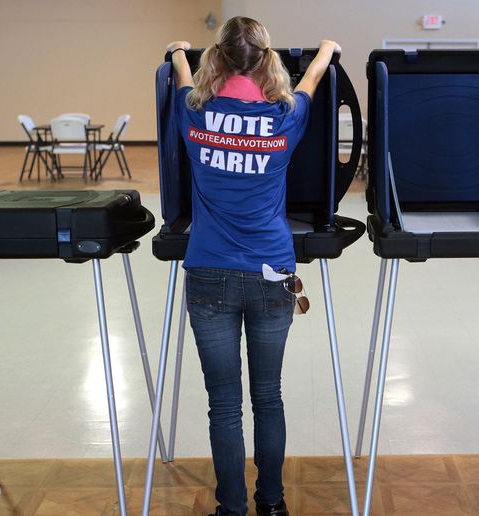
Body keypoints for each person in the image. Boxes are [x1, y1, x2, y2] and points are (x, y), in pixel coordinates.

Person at [166, 15, 340, 516]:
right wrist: (326, 51)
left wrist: (179, 51)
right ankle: (273, 503)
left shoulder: (195, 113)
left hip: (209, 272)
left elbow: (183, 83)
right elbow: (308, 84)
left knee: (224, 404)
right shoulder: (285, 117)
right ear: (267, 61)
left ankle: (232, 508)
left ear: (216, 59)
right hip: (272, 274)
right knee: (269, 397)